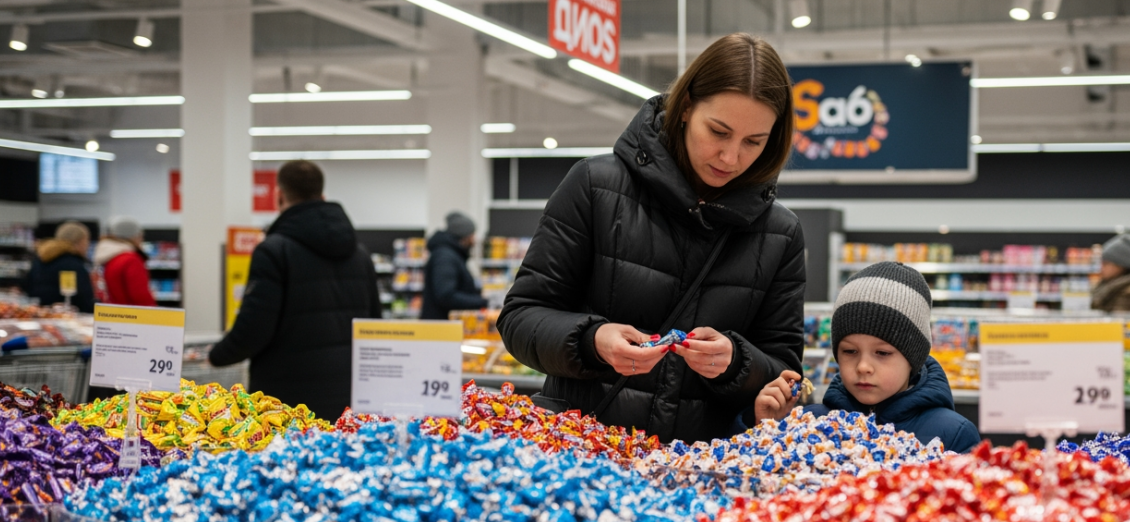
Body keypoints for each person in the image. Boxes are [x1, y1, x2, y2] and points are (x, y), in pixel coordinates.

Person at [498, 33, 806, 443]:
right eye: (718, 131)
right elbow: (520, 318)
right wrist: (593, 340)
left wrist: (736, 362)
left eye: (754, 142)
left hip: (700, 469)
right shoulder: (595, 186)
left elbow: (785, 369)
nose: (731, 157)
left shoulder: (780, 233)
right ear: (685, 108)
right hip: (580, 454)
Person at [209, 160, 381, 420]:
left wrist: (216, 356)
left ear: (279, 196)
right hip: (348, 397)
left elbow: (255, 327)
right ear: (322, 197)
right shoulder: (360, 254)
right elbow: (374, 325)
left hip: (285, 401)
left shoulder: (273, 251)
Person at [747, 262, 981, 452]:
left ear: (914, 358)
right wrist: (766, 431)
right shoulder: (809, 423)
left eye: (882, 353)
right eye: (850, 351)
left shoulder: (953, 433)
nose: (863, 366)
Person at [420, 212, 487, 320]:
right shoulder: (445, 257)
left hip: (446, 326)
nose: (474, 240)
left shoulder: (451, 255)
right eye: (472, 235)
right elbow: (446, 296)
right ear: (463, 236)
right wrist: (483, 301)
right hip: (442, 328)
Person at [23, 220, 95, 313]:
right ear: (79, 242)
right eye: (86, 241)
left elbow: (28, 286)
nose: (87, 245)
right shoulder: (73, 264)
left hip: (41, 314)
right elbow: (84, 299)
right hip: (69, 317)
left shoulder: (41, 258)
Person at [93, 216, 156, 306]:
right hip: (132, 316)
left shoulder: (109, 258)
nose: (141, 240)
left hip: (113, 314)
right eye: (140, 236)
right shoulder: (131, 260)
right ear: (133, 236)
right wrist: (154, 315)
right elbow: (140, 296)